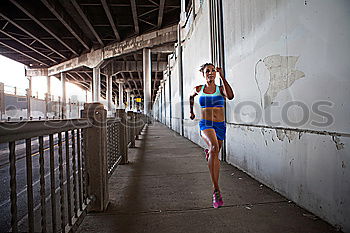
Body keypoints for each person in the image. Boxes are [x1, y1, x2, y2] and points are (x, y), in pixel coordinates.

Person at [189, 63, 234, 208]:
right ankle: (216, 190)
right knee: (214, 147)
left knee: (215, 153)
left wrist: (223, 77)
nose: (211, 73)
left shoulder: (221, 89)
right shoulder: (199, 89)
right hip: (206, 124)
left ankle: (209, 153)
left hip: (220, 126)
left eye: (213, 71)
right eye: (208, 71)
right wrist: (191, 111)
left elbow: (231, 96)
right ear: (203, 74)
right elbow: (191, 96)